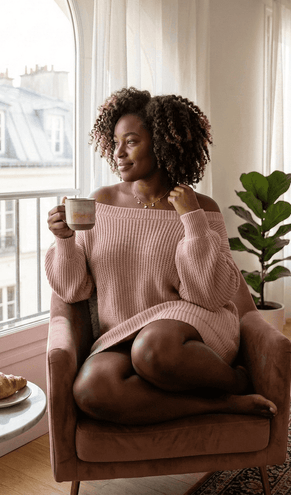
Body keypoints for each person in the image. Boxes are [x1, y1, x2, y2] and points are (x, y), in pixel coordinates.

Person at [46, 87, 277, 425]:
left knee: (153, 348)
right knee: (91, 389)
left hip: (192, 334)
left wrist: (192, 221)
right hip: (124, 333)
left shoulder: (200, 207)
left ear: (162, 144)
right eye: (115, 142)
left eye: (131, 141)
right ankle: (224, 402)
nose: (118, 153)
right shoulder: (101, 203)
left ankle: (236, 380)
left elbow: (210, 295)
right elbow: (73, 291)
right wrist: (65, 240)